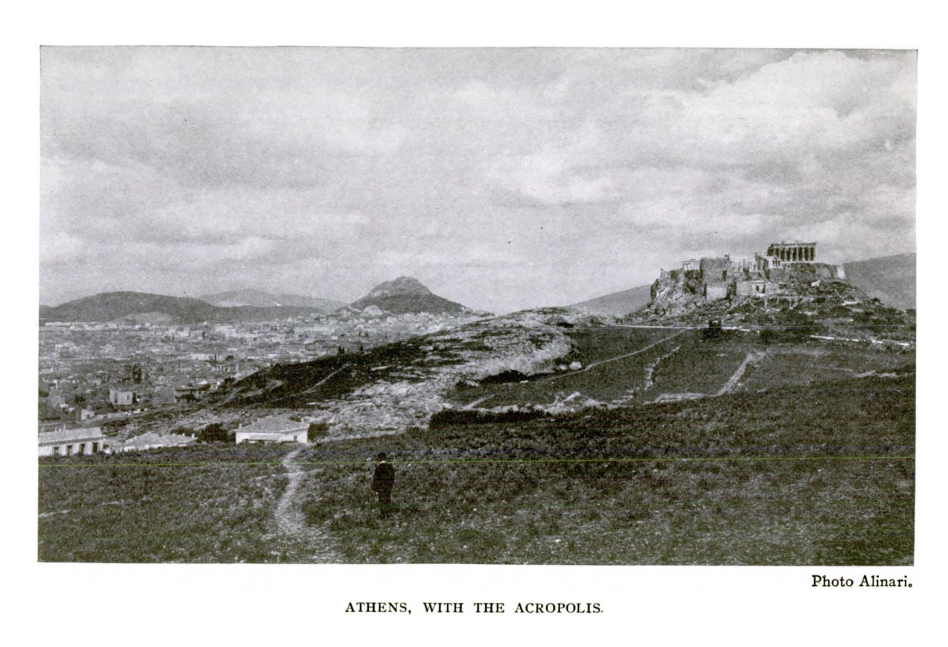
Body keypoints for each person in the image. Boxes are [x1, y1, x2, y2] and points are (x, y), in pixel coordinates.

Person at [371, 452, 395, 518]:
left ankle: (383, 514)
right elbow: (392, 477)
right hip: (388, 486)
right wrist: (390, 484)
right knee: (387, 499)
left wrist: (375, 487)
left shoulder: (379, 468)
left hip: (381, 487)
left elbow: (376, 478)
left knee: (382, 500)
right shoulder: (390, 466)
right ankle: (388, 513)